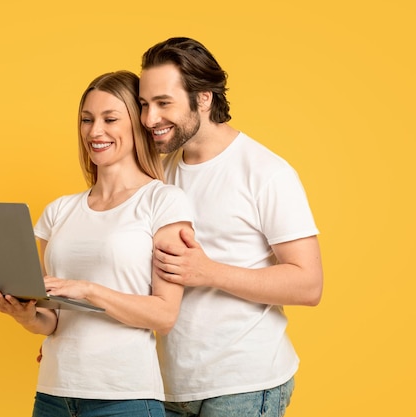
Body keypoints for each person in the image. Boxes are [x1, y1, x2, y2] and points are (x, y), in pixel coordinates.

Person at [0, 70, 194, 417]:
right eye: (86, 120)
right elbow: (54, 320)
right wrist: (27, 315)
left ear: (137, 126)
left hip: (125, 397)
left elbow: (164, 315)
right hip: (53, 394)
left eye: (110, 119)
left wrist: (88, 290)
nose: (95, 132)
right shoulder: (58, 211)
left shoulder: (164, 202)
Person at [138, 37, 324, 417]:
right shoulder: (157, 173)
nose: (148, 119)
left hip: (243, 383)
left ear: (203, 98)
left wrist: (208, 272)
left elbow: (309, 284)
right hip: (164, 380)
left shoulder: (266, 172)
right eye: (144, 104)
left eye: (163, 103)